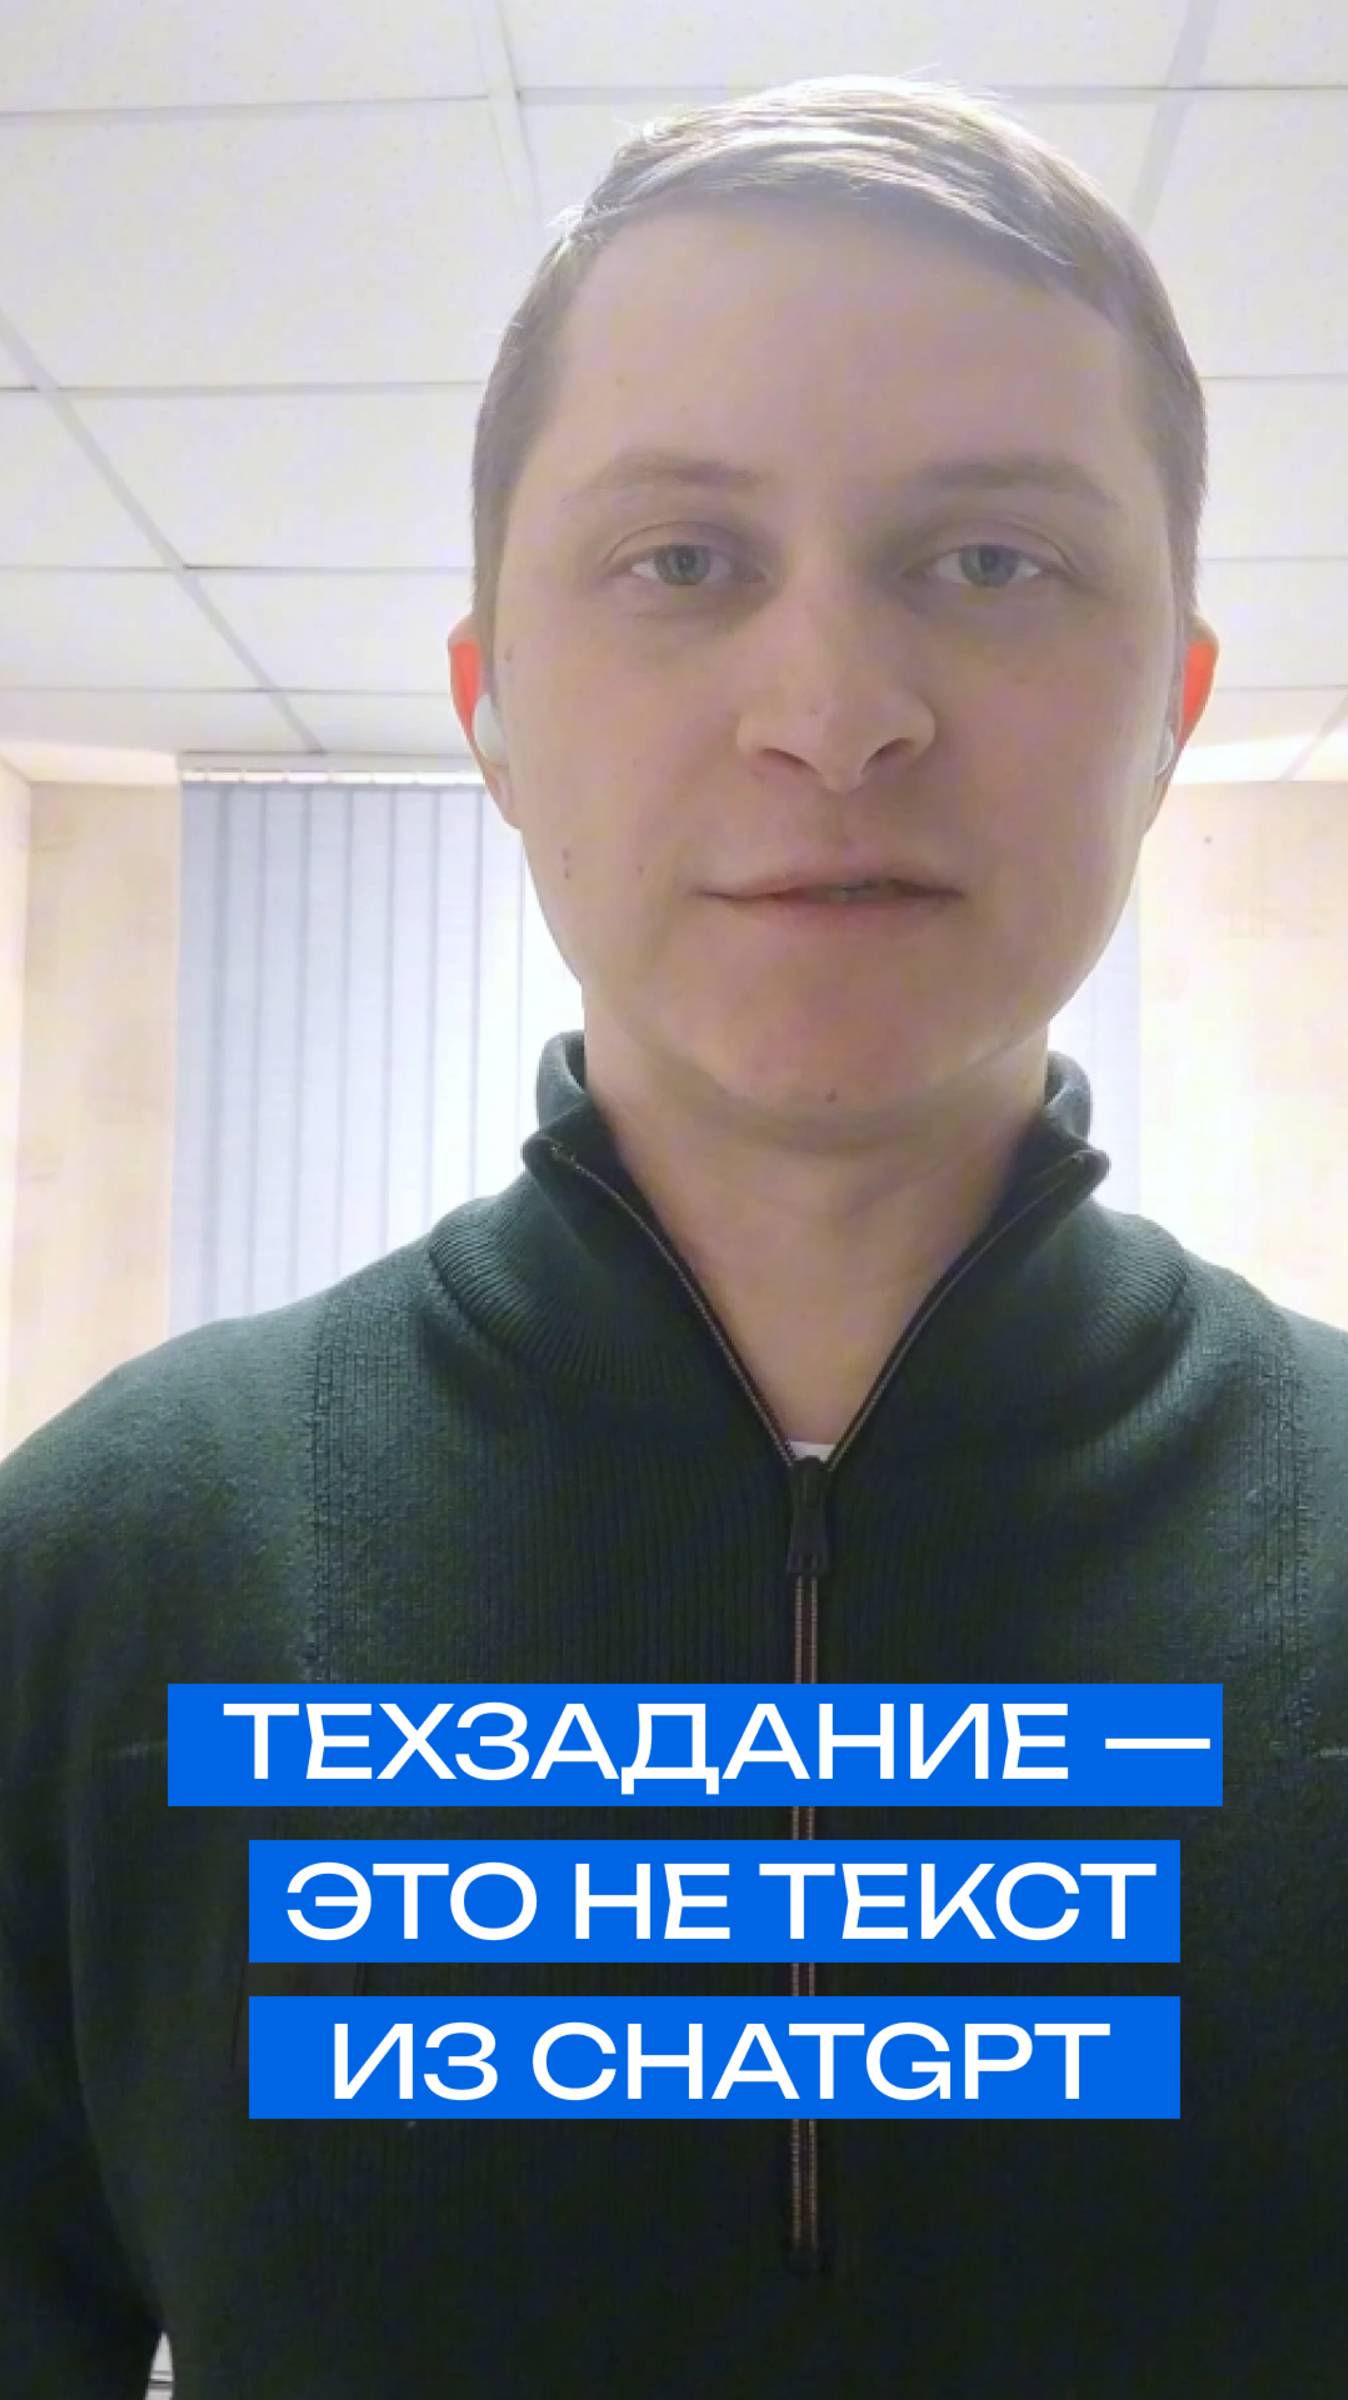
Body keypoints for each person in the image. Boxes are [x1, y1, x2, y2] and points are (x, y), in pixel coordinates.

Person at [2, 71, 1346, 2399]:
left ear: (1168, 711)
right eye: (681, 563)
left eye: (989, 561)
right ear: (490, 707)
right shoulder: (116, 1568)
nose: (831, 715)